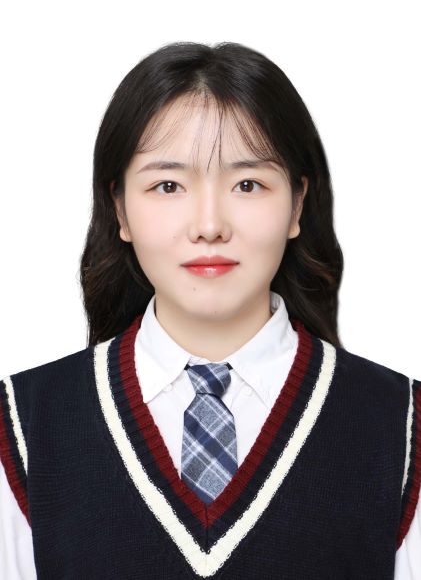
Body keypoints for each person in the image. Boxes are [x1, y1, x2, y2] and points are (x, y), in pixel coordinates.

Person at [0, 41, 419, 580]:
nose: (209, 225)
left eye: (248, 184)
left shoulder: (401, 429)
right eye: (167, 185)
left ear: (297, 203)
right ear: (119, 209)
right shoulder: (24, 429)